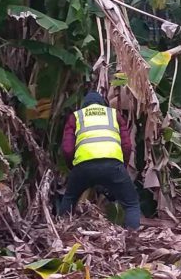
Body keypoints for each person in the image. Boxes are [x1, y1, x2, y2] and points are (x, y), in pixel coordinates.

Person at [59, 92, 141, 229]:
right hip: (112, 165)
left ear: (85, 105)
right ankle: (132, 238)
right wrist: (122, 166)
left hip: (83, 166)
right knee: (131, 203)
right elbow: (127, 146)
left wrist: (73, 168)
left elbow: (67, 149)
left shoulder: (76, 116)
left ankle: (61, 233)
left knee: (70, 198)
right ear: (102, 104)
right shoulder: (113, 115)